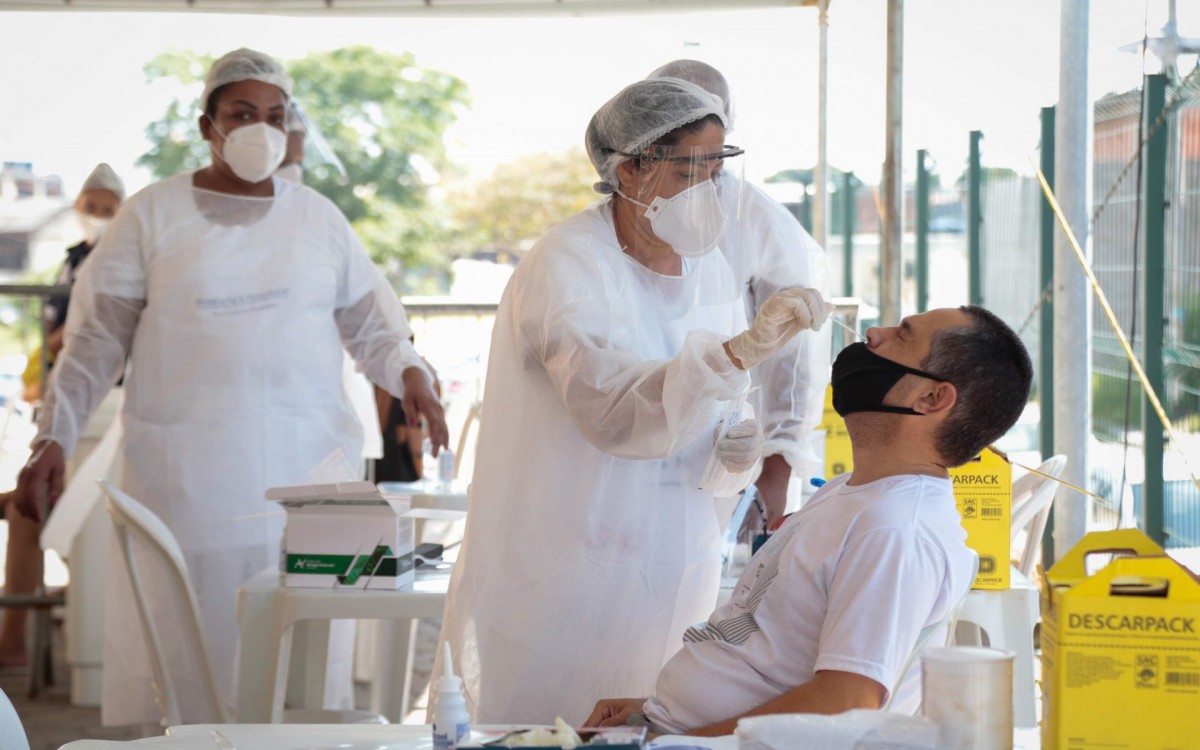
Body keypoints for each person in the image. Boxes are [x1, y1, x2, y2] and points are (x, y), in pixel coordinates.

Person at [12, 48, 448, 726]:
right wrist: (53, 438)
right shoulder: (152, 216)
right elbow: (95, 343)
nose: (260, 129)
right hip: (188, 481)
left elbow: (374, 327)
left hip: (309, 481)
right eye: (242, 113)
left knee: (302, 655)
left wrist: (410, 372)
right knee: (197, 647)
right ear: (207, 124)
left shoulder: (318, 219)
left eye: (275, 116)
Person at [434, 76, 831, 725]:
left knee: (658, 726)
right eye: (686, 172)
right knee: (550, 730)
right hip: (563, 576)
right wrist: (734, 356)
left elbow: (702, 413)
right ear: (627, 169)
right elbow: (615, 415)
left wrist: (737, 449)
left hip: (675, 565)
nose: (707, 191)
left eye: (714, 170)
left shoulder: (706, 268)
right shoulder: (569, 267)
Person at [586, 305, 1033, 734]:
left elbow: (845, 704)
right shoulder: (855, 493)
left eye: (902, 335)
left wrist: (680, 743)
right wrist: (657, 713)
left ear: (932, 397)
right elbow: (769, 648)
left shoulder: (896, 531)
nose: (873, 335)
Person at [648, 60, 831, 526]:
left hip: (729, 451)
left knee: (712, 581)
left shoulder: (755, 218)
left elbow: (796, 354)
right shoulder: (632, 206)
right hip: (641, 435)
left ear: (722, 127)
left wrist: (776, 464)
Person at [0, 163, 125, 669]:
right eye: (89, 207)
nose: (96, 217)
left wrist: (62, 342)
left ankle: (12, 643)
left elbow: (84, 337)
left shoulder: (117, 263)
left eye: (107, 209)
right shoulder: (72, 261)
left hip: (101, 417)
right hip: (66, 412)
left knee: (23, 510)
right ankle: (14, 639)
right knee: (22, 504)